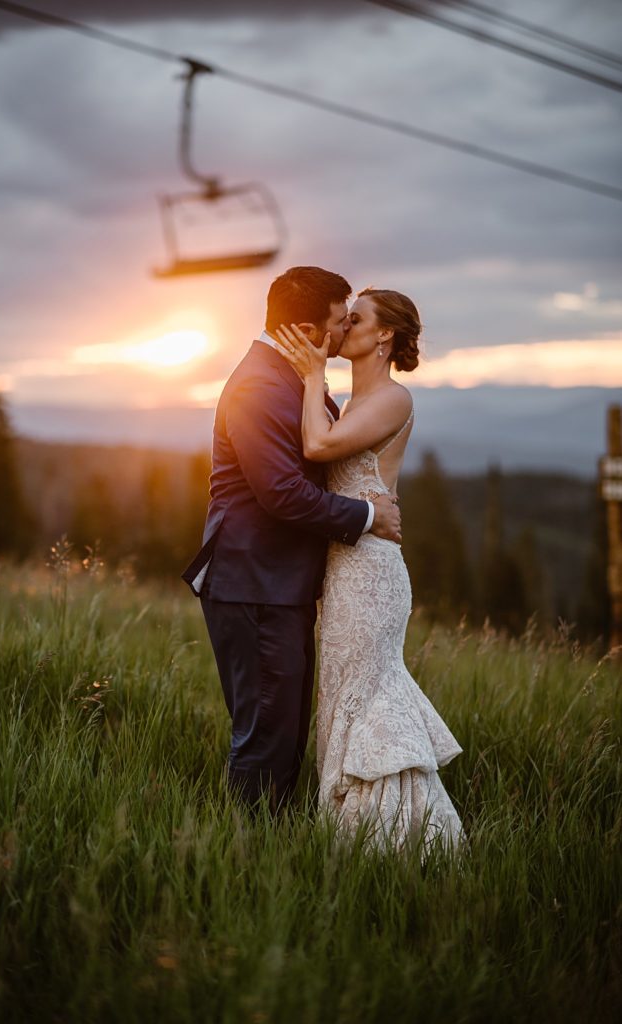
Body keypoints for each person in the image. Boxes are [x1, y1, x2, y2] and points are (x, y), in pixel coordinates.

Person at [182, 267, 402, 813]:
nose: (344, 330)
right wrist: (367, 516)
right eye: (339, 321)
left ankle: (271, 835)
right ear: (307, 330)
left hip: (279, 585)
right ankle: (247, 847)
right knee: (265, 735)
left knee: (284, 731)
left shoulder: (290, 376)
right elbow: (281, 493)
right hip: (254, 584)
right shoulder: (259, 385)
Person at [274, 287, 465, 854]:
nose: (344, 326)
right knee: (340, 698)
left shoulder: (393, 399)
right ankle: (348, 832)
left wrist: (311, 374)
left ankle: (400, 839)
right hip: (342, 571)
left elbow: (317, 445)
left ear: (384, 335)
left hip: (372, 576)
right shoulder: (349, 402)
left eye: (356, 319)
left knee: (368, 696)